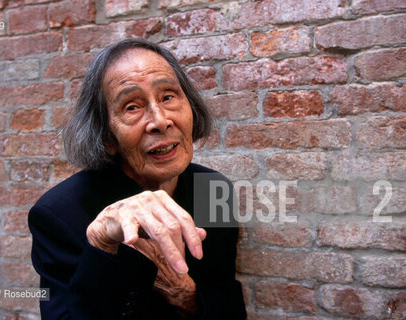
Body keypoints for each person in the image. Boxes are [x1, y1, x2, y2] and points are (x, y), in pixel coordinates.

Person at [28, 38, 247, 320]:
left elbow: (227, 304)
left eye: (168, 97)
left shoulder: (213, 190)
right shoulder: (58, 214)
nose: (160, 120)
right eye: (132, 107)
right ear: (106, 137)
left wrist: (186, 295)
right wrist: (102, 246)